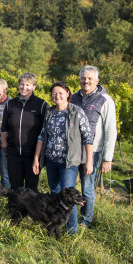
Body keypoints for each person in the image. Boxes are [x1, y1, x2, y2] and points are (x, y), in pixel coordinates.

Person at [33, 82, 94, 235]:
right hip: (51, 160)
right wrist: (36, 159)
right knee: (55, 193)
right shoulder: (49, 112)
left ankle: (72, 230)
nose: (57, 96)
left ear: (67, 93)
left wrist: (90, 161)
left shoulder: (76, 112)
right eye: (54, 93)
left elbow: (88, 138)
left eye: (60, 93)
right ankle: (55, 226)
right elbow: (41, 136)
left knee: (69, 197)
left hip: (69, 163)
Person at [71, 65, 117, 228]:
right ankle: (69, 216)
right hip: (73, 151)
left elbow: (111, 130)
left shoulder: (105, 100)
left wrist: (107, 158)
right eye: (83, 78)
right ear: (79, 79)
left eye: (90, 78)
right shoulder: (73, 97)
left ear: (97, 80)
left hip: (94, 152)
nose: (86, 81)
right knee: (69, 185)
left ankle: (86, 220)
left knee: (87, 188)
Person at [1, 73, 48, 191]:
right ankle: (16, 210)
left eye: (28, 85)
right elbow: (4, 129)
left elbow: (46, 131)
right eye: (22, 84)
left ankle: (30, 210)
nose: (24, 87)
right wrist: (5, 149)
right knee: (15, 187)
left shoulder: (41, 105)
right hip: (14, 153)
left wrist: (40, 155)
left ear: (34, 87)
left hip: (33, 155)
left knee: (31, 189)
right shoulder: (10, 104)